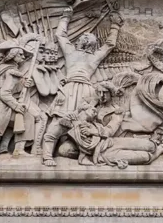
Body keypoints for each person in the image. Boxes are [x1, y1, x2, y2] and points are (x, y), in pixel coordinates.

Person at [39, 11, 121, 166]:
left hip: (86, 92)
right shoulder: (71, 51)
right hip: (69, 89)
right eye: (84, 36)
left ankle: (84, 153)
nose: (85, 37)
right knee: (58, 121)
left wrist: (115, 25)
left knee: (82, 122)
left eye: (88, 37)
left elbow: (110, 45)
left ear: (91, 43)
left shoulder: (94, 56)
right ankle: (47, 156)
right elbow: (61, 35)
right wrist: (66, 17)